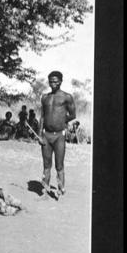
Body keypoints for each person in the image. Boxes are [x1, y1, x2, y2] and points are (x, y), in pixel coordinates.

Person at [38, 71, 76, 199]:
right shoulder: (45, 97)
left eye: (55, 81)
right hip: (46, 136)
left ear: (60, 81)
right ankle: (45, 190)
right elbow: (42, 117)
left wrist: (61, 121)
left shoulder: (67, 97)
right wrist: (39, 135)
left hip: (59, 136)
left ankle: (60, 190)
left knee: (59, 165)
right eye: (50, 81)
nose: (53, 84)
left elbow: (73, 115)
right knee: (46, 164)